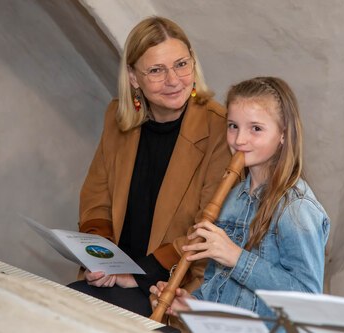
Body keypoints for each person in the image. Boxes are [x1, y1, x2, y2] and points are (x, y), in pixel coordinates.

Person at [67, 16, 232, 317]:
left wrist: (137, 276)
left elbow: (209, 230)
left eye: (181, 64)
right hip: (110, 278)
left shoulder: (221, 130)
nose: (173, 80)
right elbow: (96, 202)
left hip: (171, 287)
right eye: (156, 70)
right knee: (52, 307)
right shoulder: (117, 117)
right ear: (133, 77)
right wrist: (101, 259)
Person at [150, 77, 330, 325]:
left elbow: (307, 301)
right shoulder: (231, 199)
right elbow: (221, 286)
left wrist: (237, 257)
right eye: (233, 126)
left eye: (255, 128)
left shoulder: (296, 209)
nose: (239, 139)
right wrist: (191, 306)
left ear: (283, 134)